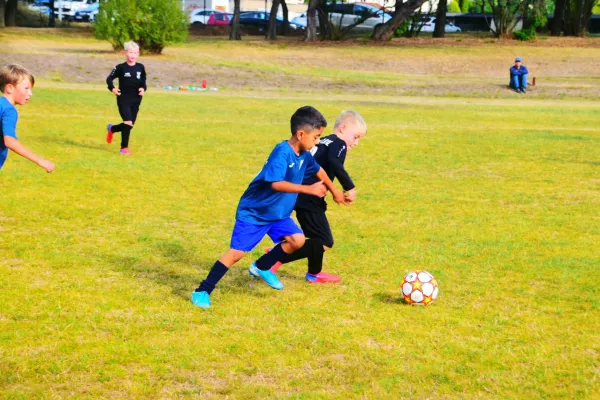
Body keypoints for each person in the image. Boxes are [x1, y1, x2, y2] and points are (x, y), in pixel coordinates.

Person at [191, 106, 348, 309]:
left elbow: (320, 172)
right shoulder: (282, 153)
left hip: (278, 214)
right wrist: (308, 189)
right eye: (316, 137)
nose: (318, 142)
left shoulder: (305, 154)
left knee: (297, 240)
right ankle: (203, 290)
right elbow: (275, 183)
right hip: (255, 213)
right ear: (301, 134)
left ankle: (263, 266)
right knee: (236, 254)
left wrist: (335, 190)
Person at [264, 110, 367, 283]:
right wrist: (349, 187)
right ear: (342, 128)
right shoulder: (339, 143)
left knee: (317, 238)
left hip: (302, 194)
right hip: (309, 198)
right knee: (325, 241)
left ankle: (314, 273)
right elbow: (334, 164)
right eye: (355, 136)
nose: (356, 143)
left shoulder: (324, 140)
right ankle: (277, 255)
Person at [0, 64, 55, 173]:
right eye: (26, 88)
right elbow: (10, 141)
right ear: (10, 88)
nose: (30, 93)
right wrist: (40, 160)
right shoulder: (9, 111)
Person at [105, 41, 147, 156]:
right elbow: (109, 79)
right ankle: (124, 148)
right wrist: (112, 88)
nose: (132, 55)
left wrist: (143, 89)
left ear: (138, 54)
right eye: (130, 52)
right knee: (128, 122)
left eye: (135, 53)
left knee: (129, 126)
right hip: (123, 98)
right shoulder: (120, 67)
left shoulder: (141, 67)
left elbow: (143, 82)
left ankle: (112, 129)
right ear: (125, 53)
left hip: (136, 100)